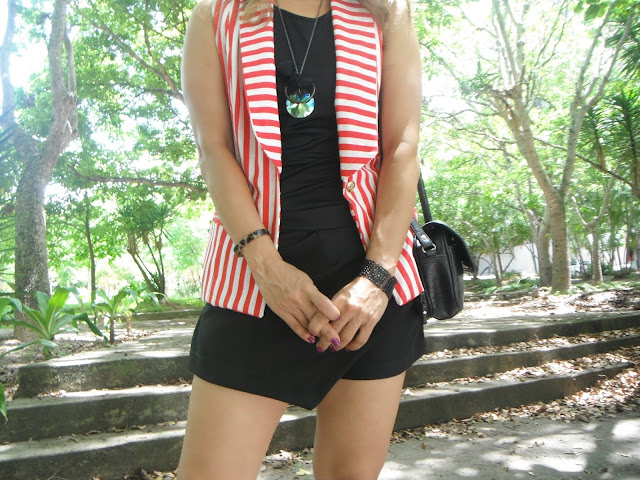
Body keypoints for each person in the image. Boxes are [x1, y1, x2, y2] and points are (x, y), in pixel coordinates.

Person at [178, 0, 423, 477]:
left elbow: (402, 145)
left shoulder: (387, 10)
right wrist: (266, 267)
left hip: (368, 288)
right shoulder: (215, 15)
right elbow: (214, 148)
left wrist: (376, 278)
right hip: (254, 283)